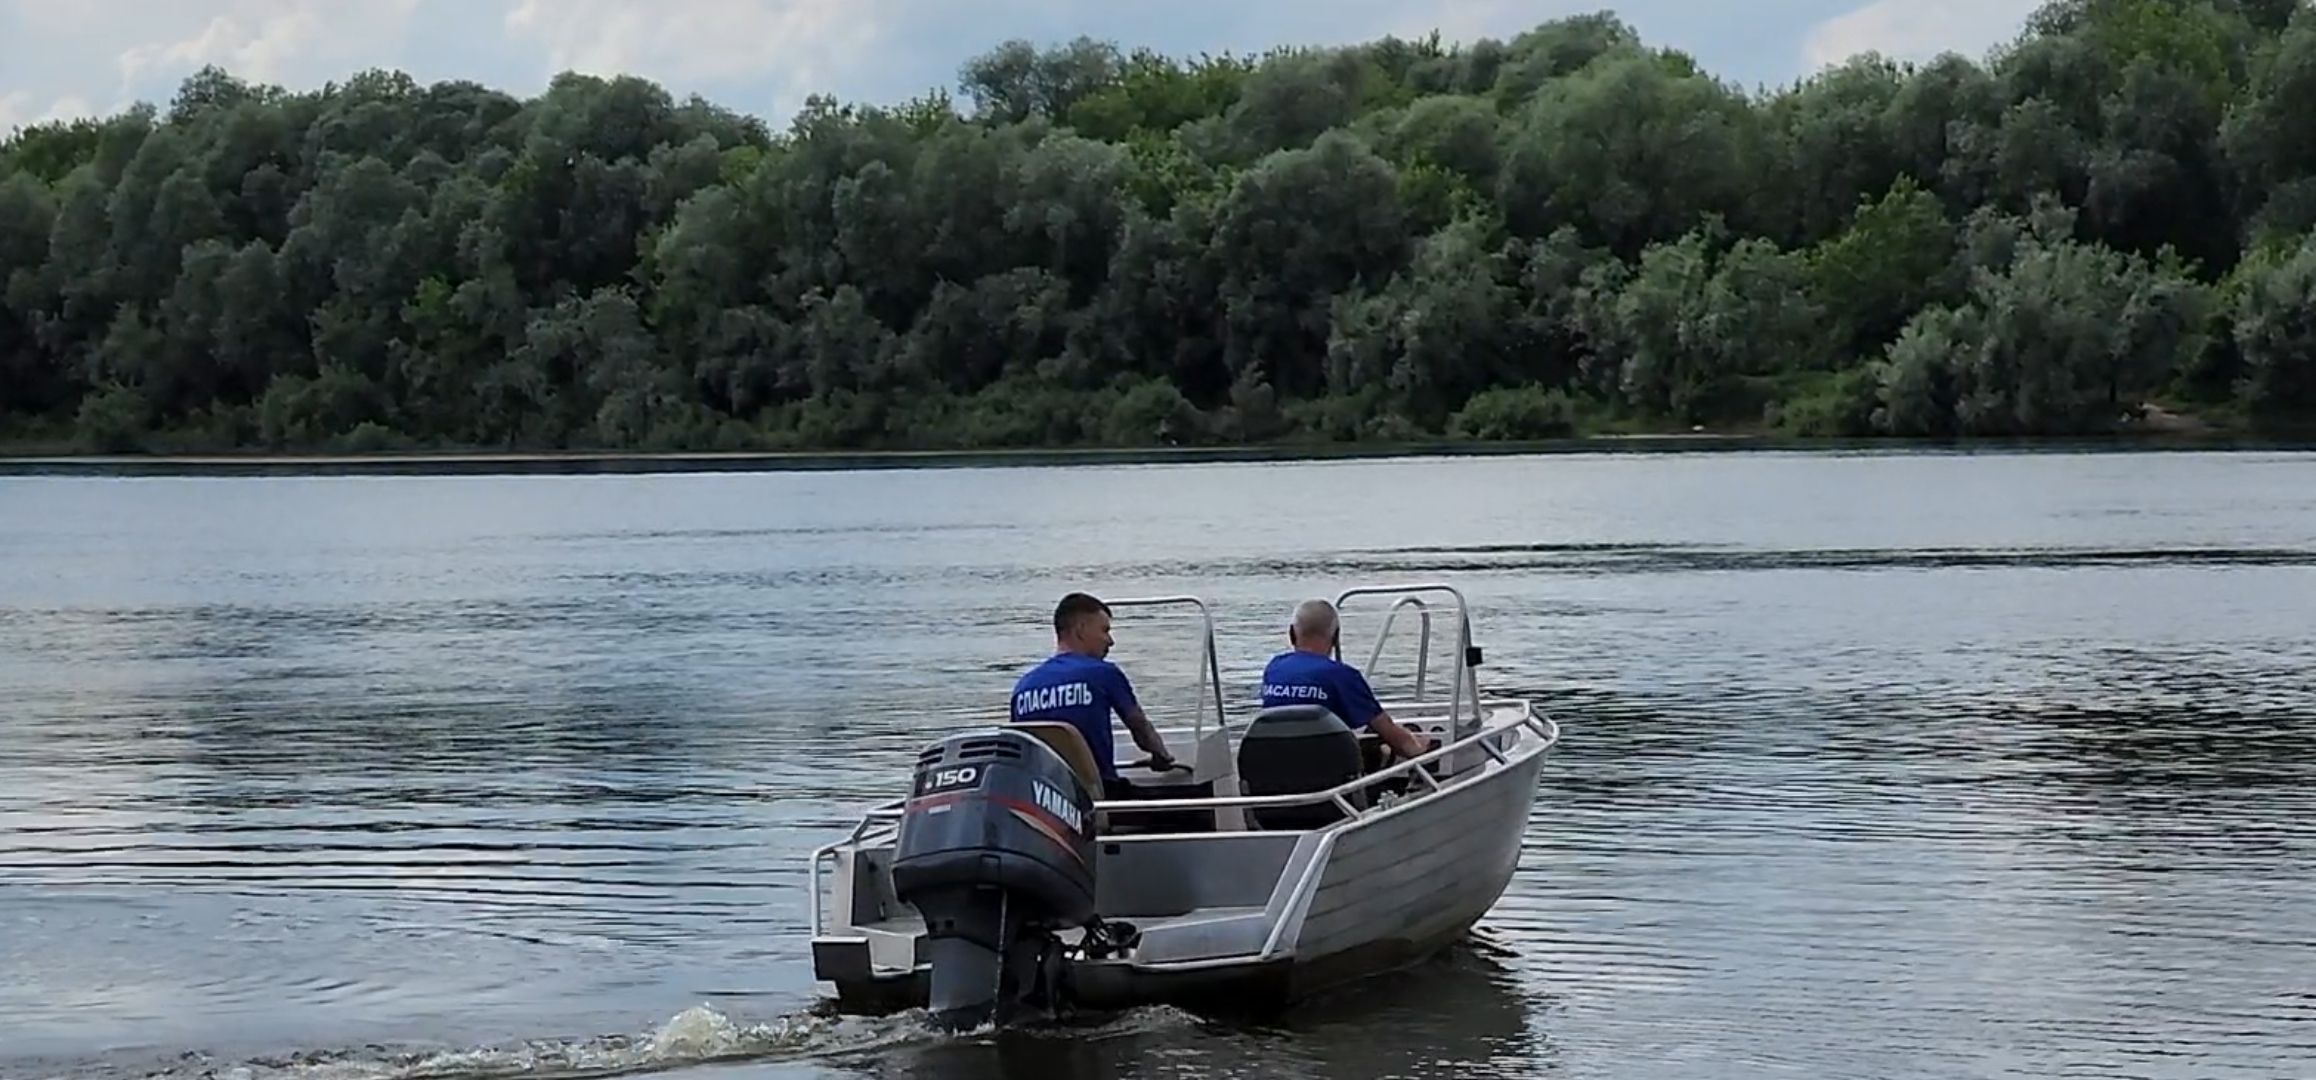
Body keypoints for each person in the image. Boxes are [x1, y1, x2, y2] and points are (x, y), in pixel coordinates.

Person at [1010, 592, 1176, 799]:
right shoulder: (1103, 673)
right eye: (1105, 631)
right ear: (1081, 630)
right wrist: (1161, 755)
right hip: (1097, 795)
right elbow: (1139, 727)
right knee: (1182, 812)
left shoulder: (1023, 686)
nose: (1110, 641)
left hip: (1045, 798)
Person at [1259, 599, 1435, 762]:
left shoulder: (1274, 669)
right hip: (1327, 774)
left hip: (1276, 766)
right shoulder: (1342, 676)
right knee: (1379, 745)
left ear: (1291, 633)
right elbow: (1389, 732)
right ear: (1335, 637)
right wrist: (1422, 747)